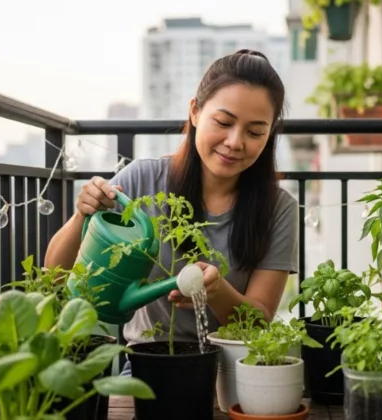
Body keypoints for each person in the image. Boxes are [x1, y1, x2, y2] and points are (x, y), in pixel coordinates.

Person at [43, 49, 299, 374]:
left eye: (255, 132)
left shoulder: (279, 208)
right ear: (195, 112)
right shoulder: (140, 181)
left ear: (270, 134)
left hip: (237, 373)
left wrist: (217, 291)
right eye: (223, 122)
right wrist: (83, 216)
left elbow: (258, 319)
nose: (235, 142)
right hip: (146, 366)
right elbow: (56, 275)